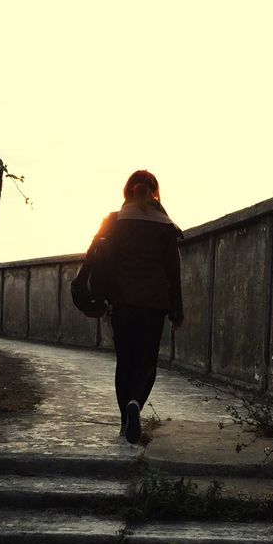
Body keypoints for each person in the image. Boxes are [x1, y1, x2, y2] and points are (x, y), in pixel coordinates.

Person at [98, 169, 183, 444]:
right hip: (154, 304)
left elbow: (105, 263)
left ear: (127, 191)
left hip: (122, 303)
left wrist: (106, 296)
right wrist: (177, 308)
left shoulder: (115, 221)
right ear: (155, 192)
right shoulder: (165, 225)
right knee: (147, 362)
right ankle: (136, 403)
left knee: (125, 362)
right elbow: (173, 271)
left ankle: (125, 422)